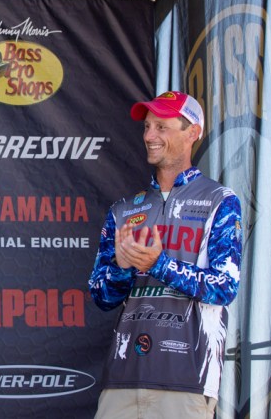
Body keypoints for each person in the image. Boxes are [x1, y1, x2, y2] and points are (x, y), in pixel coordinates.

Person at [88, 90, 243, 419]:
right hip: (122, 379)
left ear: (192, 133)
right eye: (147, 127)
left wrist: (159, 265)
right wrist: (122, 268)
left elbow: (224, 286)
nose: (149, 136)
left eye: (161, 127)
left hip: (186, 381)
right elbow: (101, 295)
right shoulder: (124, 209)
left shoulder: (220, 201)